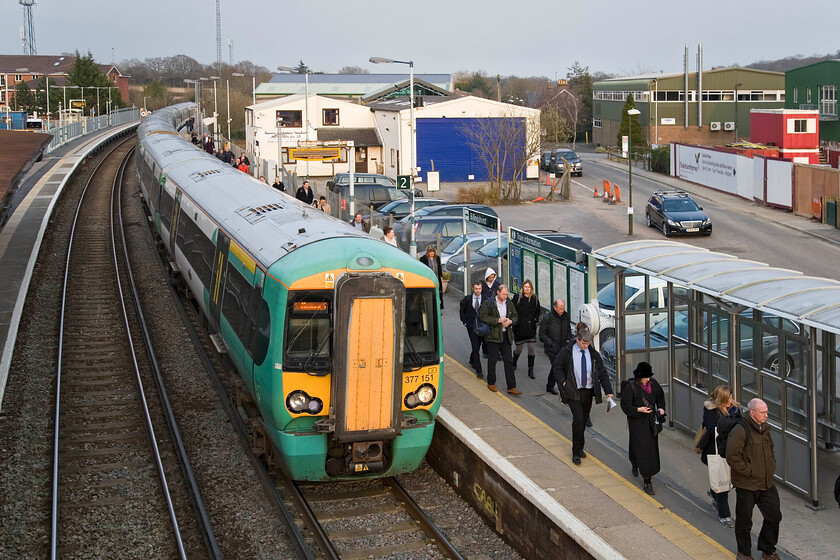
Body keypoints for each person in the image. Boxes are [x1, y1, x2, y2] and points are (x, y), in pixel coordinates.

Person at [726, 398, 782, 560]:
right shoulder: (740, 430)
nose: (766, 415)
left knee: (774, 516)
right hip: (747, 484)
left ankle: (767, 550)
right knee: (744, 521)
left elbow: (770, 450)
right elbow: (732, 456)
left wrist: (770, 467)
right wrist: (750, 471)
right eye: (763, 412)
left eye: (766, 412)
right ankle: (744, 553)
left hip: (766, 482)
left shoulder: (764, 428)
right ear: (752, 413)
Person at [552, 328, 613, 465]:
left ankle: (580, 447)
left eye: (588, 344)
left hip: (588, 391)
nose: (586, 346)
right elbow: (557, 368)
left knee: (584, 420)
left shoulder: (593, 354)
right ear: (577, 340)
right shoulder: (566, 352)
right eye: (583, 343)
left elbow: (602, 372)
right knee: (578, 420)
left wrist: (608, 390)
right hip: (573, 390)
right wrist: (564, 383)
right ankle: (576, 451)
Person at [620, 361, 666, 495]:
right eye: (646, 377)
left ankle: (635, 462)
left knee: (649, 447)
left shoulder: (653, 384)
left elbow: (660, 396)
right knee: (643, 448)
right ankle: (647, 480)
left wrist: (661, 408)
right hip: (638, 422)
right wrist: (638, 409)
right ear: (639, 377)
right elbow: (626, 406)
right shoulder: (631, 387)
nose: (648, 379)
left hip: (651, 422)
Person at [700, 385, 739, 528]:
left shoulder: (735, 409)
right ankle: (725, 515)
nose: (730, 401)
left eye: (731, 397)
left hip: (731, 452)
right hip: (715, 452)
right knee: (723, 483)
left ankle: (713, 492)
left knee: (729, 482)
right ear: (720, 399)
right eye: (727, 398)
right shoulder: (710, 409)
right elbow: (712, 429)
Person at [479, 284, 519, 395]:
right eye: (504, 294)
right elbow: (482, 317)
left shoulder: (509, 304)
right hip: (493, 337)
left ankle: (512, 386)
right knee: (493, 360)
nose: (505, 296)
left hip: (506, 336)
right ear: (498, 292)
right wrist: (498, 320)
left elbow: (515, 316)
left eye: (507, 294)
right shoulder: (489, 303)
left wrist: (510, 321)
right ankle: (491, 382)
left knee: (508, 361)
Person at [539, 299, 572, 394]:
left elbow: (568, 330)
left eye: (563, 308)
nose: (562, 310)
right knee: (557, 367)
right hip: (552, 349)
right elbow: (542, 334)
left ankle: (550, 385)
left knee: (556, 367)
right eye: (560, 309)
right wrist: (551, 343)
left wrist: (568, 340)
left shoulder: (566, 316)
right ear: (555, 307)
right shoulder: (547, 318)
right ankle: (562, 390)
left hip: (563, 347)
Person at [512, 280, 541, 379]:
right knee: (519, 349)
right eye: (525, 287)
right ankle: (514, 361)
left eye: (529, 287)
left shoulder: (534, 298)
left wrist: (535, 320)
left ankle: (531, 369)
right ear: (523, 288)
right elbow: (512, 308)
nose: (527, 289)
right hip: (519, 327)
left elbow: (538, 311)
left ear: (531, 288)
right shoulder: (518, 297)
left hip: (530, 328)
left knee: (531, 348)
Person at [459, 280, 485, 378]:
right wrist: (465, 322)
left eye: (479, 289)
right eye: (476, 289)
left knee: (478, 345)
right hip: (471, 326)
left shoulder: (485, 299)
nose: (478, 291)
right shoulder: (467, 299)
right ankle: (479, 370)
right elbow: (462, 311)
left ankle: (471, 359)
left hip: (482, 327)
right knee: (475, 346)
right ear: (473, 289)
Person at [419, 245, 444, 310]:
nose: (431, 253)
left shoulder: (437, 258)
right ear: (427, 252)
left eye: (433, 252)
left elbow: (439, 267)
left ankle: (438, 309)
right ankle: (429, 308)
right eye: (430, 252)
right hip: (428, 279)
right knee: (430, 293)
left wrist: (441, 276)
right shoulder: (423, 259)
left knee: (438, 293)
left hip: (436, 278)